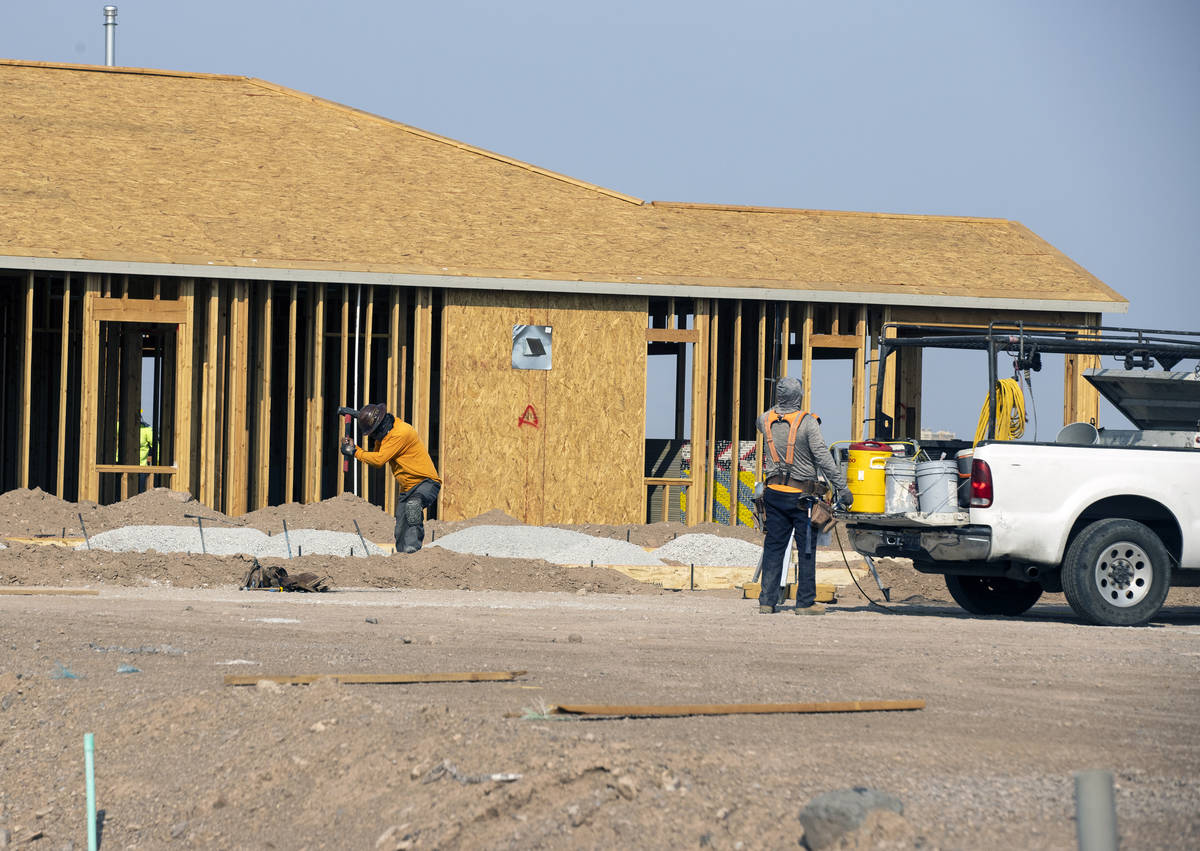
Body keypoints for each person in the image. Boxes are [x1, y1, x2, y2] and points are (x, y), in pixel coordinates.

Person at [755, 376, 852, 615]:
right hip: (801, 498)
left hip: (773, 494)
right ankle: (805, 602)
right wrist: (843, 488)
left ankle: (767, 601)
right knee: (806, 548)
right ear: (798, 397)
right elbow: (823, 458)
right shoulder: (807, 423)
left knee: (774, 547)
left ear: (779, 396)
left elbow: (768, 421)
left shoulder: (764, 420)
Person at [341, 403, 442, 554]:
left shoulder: (400, 433)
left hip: (426, 483)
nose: (374, 436)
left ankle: (413, 551)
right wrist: (364, 420)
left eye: (374, 433)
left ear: (380, 427)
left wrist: (355, 451)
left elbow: (379, 460)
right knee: (401, 526)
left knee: (413, 506)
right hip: (408, 489)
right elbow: (377, 454)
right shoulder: (386, 433)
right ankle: (403, 557)